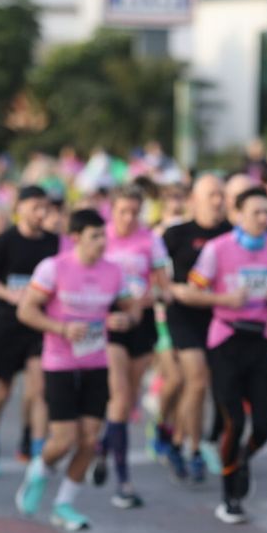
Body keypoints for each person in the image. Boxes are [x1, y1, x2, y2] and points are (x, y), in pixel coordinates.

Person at [16, 208, 140, 529]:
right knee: (63, 439)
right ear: (75, 239)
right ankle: (38, 472)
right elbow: (26, 311)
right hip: (60, 361)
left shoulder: (113, 272)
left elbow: (131, 311)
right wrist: (60, 329)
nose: (102, 243)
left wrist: (123, 319)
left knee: (89, 440)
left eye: (104, 236)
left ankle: (64, 504)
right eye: (94, 237)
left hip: (96, 362)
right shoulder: (53, 268)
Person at [175, 186, 267, 523]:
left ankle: (241, 458)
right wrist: (225, 300)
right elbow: (192, 293)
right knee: (234, 421)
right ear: (238, 215)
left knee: (264, 427)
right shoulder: (217, 249)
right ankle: (229, 496)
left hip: (259, 341)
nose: (263, 218)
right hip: (225, 339)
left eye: (266, 212)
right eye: (256, 212)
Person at [0, 186, 59, 478]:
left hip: (40, 325)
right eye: (35, 207)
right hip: (8, 324)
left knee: (38, 389)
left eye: (44, 207)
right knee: (2, 389)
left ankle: (37, 452)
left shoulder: (54, 243)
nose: (41, 213)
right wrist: (10, 295)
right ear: (20, 208)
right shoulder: (5, 241)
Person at [100, 186, 170, 509]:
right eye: (122, 211)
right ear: (111, 210)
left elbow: (162, 285)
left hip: (140, 323)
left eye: (134, 211)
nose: (128, 218)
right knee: (120, 396)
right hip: (110, 322)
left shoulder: (150, 240)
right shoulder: (100, 236)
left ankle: (103, 446)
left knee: (127, 402)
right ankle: (123, 481)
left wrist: (143, 303)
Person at [160, 175, 232, 484]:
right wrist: (171, 291)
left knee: (211, 385)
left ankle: (177, 439)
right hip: (183, 316)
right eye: (211, 194)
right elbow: (156, 273)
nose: (217, 200)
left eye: (221, 194)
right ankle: (194, 448)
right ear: (195, 200)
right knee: (197, 380)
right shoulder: (176, 234)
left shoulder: (232, 233)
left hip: (219, 316)